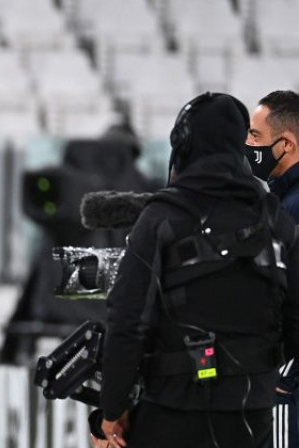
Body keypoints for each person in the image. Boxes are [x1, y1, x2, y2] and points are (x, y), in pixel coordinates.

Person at [99, 93, 299, 448]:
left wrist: (111, 411)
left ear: (184, 144)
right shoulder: (277, 221)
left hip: (171, 413)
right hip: (252, 418)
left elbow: (126, 321)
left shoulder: (160, 218)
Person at [244, 90, 299, 448]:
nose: (247, 145)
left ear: (286, 144)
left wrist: (286, 370)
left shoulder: (293, 208)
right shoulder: (282, 199)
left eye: (255, 136)